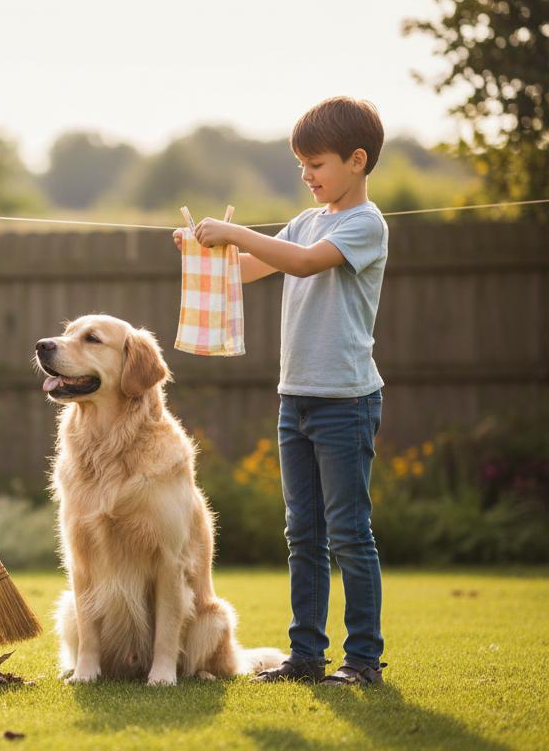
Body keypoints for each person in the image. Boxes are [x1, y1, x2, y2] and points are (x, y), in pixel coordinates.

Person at [175, 97, 389, 686]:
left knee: (348, 532)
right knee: (303, 533)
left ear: (357, 160)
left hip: (345, 402)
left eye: (316, 164)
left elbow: (300, 264)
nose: (307, 175)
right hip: (294, 399)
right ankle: (306, 657)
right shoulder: (304, 220)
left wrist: (235, 231)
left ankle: (363, 659)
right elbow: (247, 269)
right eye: (301, 165)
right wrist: (205, 251)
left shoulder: (364, 225)